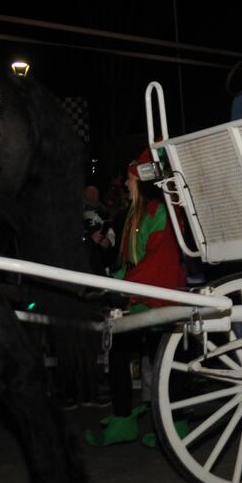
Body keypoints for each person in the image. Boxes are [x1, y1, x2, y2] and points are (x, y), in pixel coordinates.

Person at [86, 150, 185, 447]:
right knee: (118, 352)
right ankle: (123, 419)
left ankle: (175, 425)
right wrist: (111, 281)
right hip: (140, 295)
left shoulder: (160, 212)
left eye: (129, 180)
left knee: (168, 359)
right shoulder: (135, 215)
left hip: (158, 298)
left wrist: (121, 284)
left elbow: (159, 262)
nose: (126, 186)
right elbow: (131, 261)